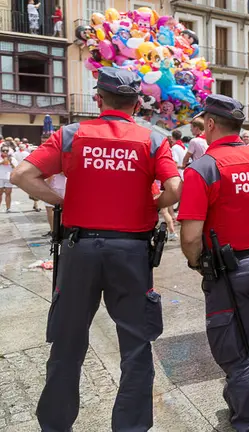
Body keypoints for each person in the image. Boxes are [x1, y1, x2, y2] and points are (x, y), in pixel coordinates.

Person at [10, 67, 182, 432]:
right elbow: (175, 186)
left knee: (67, 343)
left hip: (80, 247)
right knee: (136, 347)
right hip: (132, 253)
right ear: (137, 104)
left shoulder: (71, 135)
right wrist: (152, 205)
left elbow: (22, 175)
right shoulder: (152, 140)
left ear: (98, 99)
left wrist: (61, 201)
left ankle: (55, 425)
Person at [178, 95, 249, 432]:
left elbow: (189, 237)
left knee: (234, 351)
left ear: (211, 125)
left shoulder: (203, 168)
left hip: (230, 270)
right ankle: (238, 402)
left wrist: (198, 263)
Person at [0, 145, 17, 212]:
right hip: (0, 177)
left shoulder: (12, 158)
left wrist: (11, 162)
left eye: (6, 150)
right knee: (0, 193)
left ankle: (8, 208)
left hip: (8, 177)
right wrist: (2, 162)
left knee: (8, 193)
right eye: (3, 150)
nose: (5, 152)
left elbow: (16, 168)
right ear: (1, 151)